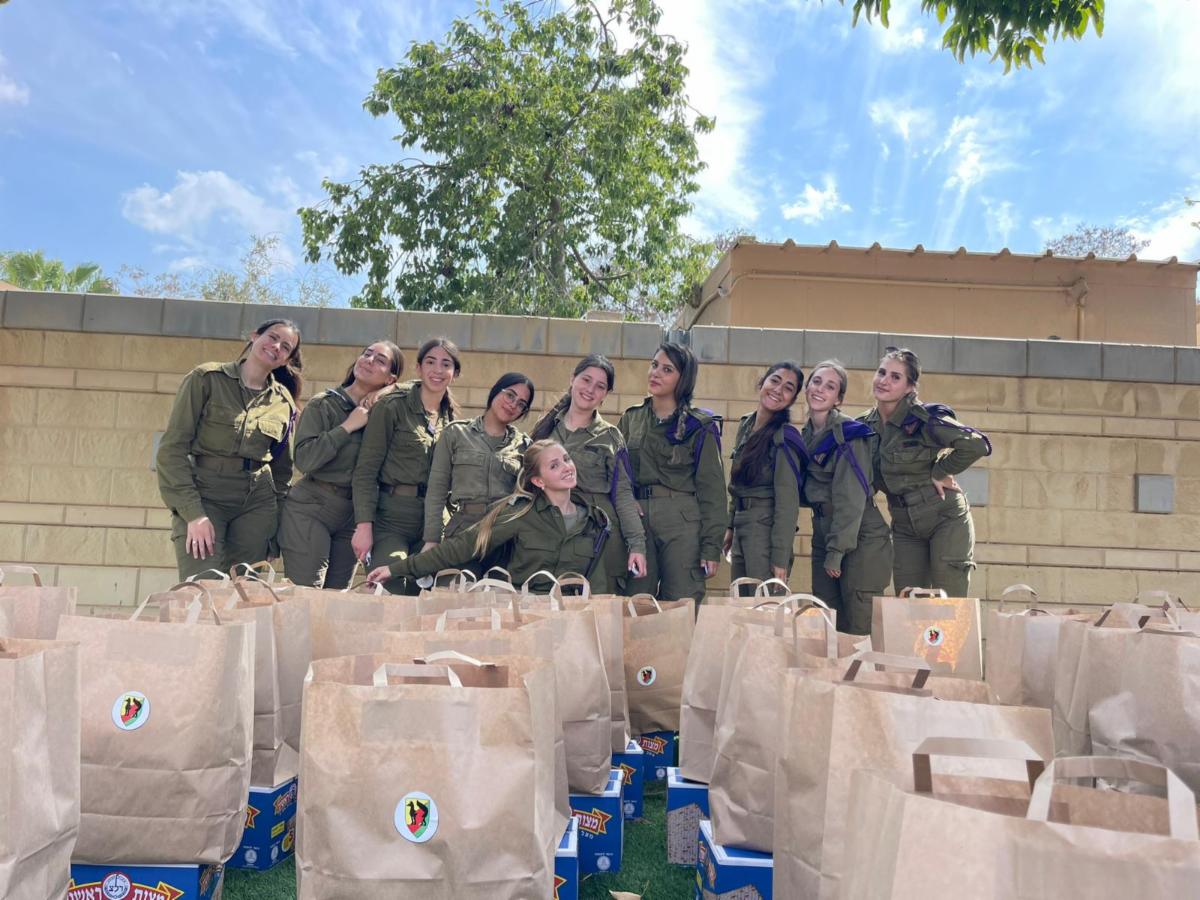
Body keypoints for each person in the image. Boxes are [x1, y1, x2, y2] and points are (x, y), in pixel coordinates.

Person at [156, 318, 302, 580]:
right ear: (254, 336)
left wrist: (274, 533)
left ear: (286, 360)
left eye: (285, 347)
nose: (276, 346)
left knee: (243, 591)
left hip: (257, 505)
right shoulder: (207, 378)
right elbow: (172, 450)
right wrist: (193, 514)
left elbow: (282, 472)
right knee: (203, 586)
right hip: (206, 495)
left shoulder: (283, 402)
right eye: (272, 337)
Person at [366, 440, 611, 592]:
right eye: (554, 465)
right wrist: (397, 569)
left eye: (566, 459)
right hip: (523, 613)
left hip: (570, 618)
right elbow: (461, 547)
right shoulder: (521, 514)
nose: (567, 467)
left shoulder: (593, 521)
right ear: (538, 481)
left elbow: (597, 584)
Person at [859, 346, 991, 597]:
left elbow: (976, 445)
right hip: (904, 524)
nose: (884, 381)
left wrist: (941, 470)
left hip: (944, 516)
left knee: (949, 605)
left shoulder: (923, 419)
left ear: (910, 387)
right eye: (882, 372)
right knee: (908, 603)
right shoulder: (864, 425)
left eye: (895, 377)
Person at [277, 341, 402, 588]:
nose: (369, 360)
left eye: (380, 360)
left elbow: (425, 384)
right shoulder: (323, 404)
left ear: (390, 378)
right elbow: (305, 460)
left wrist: (389, 391)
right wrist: (347, 427)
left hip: (354, 515)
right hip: (312, 506)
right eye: (367, 354)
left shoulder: (385, 413)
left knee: (337, 597)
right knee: (306, 593)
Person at [352, 337, 461, 594]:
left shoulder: (452, 418)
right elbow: (366, 471)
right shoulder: (392, 406)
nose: (437, 370)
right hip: (392, 517)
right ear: (418, 367)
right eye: (430, 362)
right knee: (387, 591)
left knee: (424, 599)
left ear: (455, 373)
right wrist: (363, 526)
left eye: (446, 364)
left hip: (433, 522)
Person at [529, 355, 647, 594]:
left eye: (600, 386)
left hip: (598, 536)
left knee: (599, 607)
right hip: (550, 532)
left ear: (606, 394)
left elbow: (623, 495)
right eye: (586, 380)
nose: (590, 389)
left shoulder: (610, 437)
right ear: (572, 379)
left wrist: (637, 545)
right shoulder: (546, 429)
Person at [619, 342, 725, 602]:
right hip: (638, 519)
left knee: (681, 602)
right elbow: (617, 474)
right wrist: (627, 501)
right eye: (654, 365)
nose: (656, 373)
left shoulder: (699, 425)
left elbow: (713, 491)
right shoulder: (632, 418)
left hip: (682, 520)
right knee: (636, 601)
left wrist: (711, 546)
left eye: (667, 370)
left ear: (683, 379)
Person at [802, 360, 893, 634]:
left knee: (858, 626)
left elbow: (850, 498)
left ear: (838, 399)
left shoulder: (849, 434)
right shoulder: (806, 435)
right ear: (807, 387)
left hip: (859, 538)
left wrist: (836, 551)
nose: (820, 389)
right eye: (816, 382)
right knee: (827, 623)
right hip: (825, 533)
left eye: (830, 387)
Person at [422, 372, 535, 572]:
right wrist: (432, 539)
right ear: (496, 391)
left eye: (521, 404)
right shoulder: (456, 433)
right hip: (463, 532)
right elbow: (437, 491)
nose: (513, 405)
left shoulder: (524, 446)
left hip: (504, 538)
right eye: (510, 395)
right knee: (455, 588)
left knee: (499, 591)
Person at [721, 361, 804, 584]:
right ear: (762, 382)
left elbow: (788, 504)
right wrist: (731, 525)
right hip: (741, 525)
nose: (778, 390)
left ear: (792, 399)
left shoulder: (785, 437)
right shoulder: (746, 425)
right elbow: (738, 483)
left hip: (765, 529)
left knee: (764, 601)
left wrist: (780, 557)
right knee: (740, 599)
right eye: (774, 380)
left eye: (788, 388)